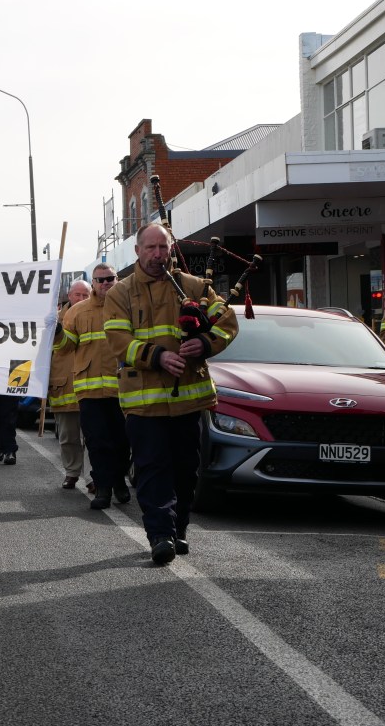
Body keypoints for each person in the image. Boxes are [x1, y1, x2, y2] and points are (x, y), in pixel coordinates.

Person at [104, 223, 238, 565]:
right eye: (150, 248)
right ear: (137, 251)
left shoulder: (194, 287)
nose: (157, 254)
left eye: (163, 247)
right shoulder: (120, 293)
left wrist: (205, 343)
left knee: (185, 470)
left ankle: (178, 530)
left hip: (188, 401)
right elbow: (118, 341)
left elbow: (227, 323)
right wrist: (158, 357)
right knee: (152, 469)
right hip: (143, 404)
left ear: (171, 248)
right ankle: (159, 535)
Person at [55, 263, 131, 511]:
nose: (105, 283)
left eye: (110, 278)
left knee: (122, 442)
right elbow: (65, 347)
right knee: (97, 442)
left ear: (117, 279)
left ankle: (118, 480)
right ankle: (103, 489)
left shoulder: (128, 306)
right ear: (94, 283)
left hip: (123, 389)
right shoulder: (77, 312)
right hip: (89, 391)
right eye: (100, 280)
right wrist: (57, 332)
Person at [49, 279, 90, 489]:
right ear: (69, 295)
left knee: (93, 436)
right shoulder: (54, 320)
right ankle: (72, 472)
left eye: (85, 295)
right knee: (68, 437)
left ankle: (93, 478)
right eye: (78, 295)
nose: (81, 299)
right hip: (63, 386)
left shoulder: (97, 316)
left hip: (91, 387)